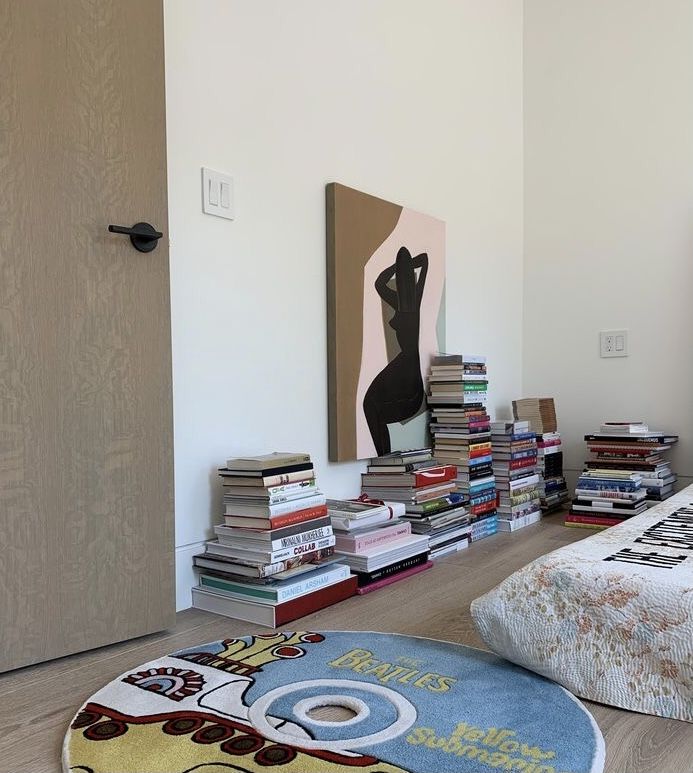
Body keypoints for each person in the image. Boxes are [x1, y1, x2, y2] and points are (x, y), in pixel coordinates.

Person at [363, 246, 428, 456]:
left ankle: (384, 459)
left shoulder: (409, 302)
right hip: (406, 363)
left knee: (370, 404)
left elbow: (424, 260)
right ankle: (385, 459)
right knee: (372, 405)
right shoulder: (406, 301)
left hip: (407, 365)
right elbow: (378, 284)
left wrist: (400, 266)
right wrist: (408, 264)